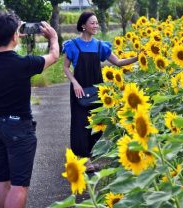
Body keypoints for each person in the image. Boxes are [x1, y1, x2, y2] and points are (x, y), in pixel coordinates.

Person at [0, 11, 59, 208]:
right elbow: (54, 55)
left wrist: (8, 36)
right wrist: (54, 38)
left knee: (2, 180)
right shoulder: (25, 63)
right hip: (19, 128)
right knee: (19, 185)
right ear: (15, 35)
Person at [63, 11, 137, 171]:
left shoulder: (100, 45)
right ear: (83, 25)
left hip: (98, 90)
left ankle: (90, 155)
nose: (96, 26)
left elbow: (118, 62)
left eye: (97, 23)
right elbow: (65, 67)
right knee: (80, 123)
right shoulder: (73, 45)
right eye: (92, 23)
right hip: (79, 90)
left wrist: (138, 57)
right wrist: (75, 82)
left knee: (97, 123)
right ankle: (84, 159)